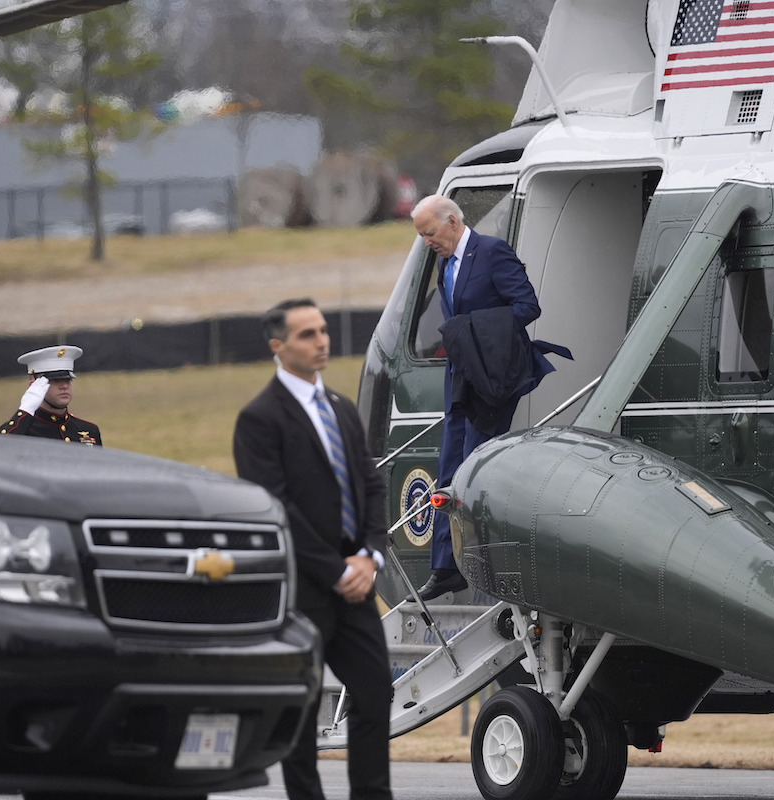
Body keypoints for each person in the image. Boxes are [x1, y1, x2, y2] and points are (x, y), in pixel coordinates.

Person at [232, 298, 393, 800]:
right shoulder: (259, 418)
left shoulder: (340, 407)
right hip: (304, 589)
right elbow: (276, 506)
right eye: (307, 334)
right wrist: (336, 571)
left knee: (375, 692)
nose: (321, 341)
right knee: (300, 711)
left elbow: (371, 485)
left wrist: (369, 557)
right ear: (278, 347)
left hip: (356, 581)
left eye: (322, 330)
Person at [410, 194, 565, 601]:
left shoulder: (493, 252)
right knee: (449, 467)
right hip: (459, 377)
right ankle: (446, 567)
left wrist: (473, 332)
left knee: (476, 468)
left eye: (429, 233)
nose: (427, 242)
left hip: (492, 375)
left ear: (451, 221)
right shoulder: (445, 264)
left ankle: (484, 566)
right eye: (422, 236)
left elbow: (527, 306)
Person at [0, 345, 102, 446]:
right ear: (34, 385)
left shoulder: (89, 430)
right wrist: (25, 410)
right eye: (55, 380)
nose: (64, 386)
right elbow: (0, 449)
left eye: (68, 379)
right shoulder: (22, 431)